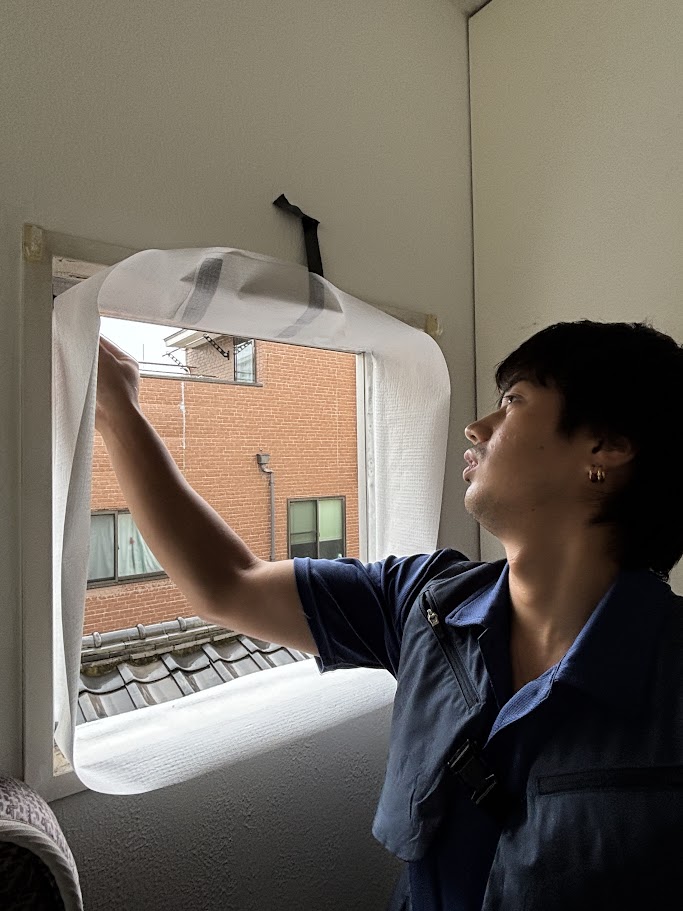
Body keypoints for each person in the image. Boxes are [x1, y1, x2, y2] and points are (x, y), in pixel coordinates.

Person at [96, 320, 683, 911]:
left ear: (606, 446)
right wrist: (118, 412)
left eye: (514, 402)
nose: (477, 427)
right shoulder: (427, 602)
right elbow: (227, 584)